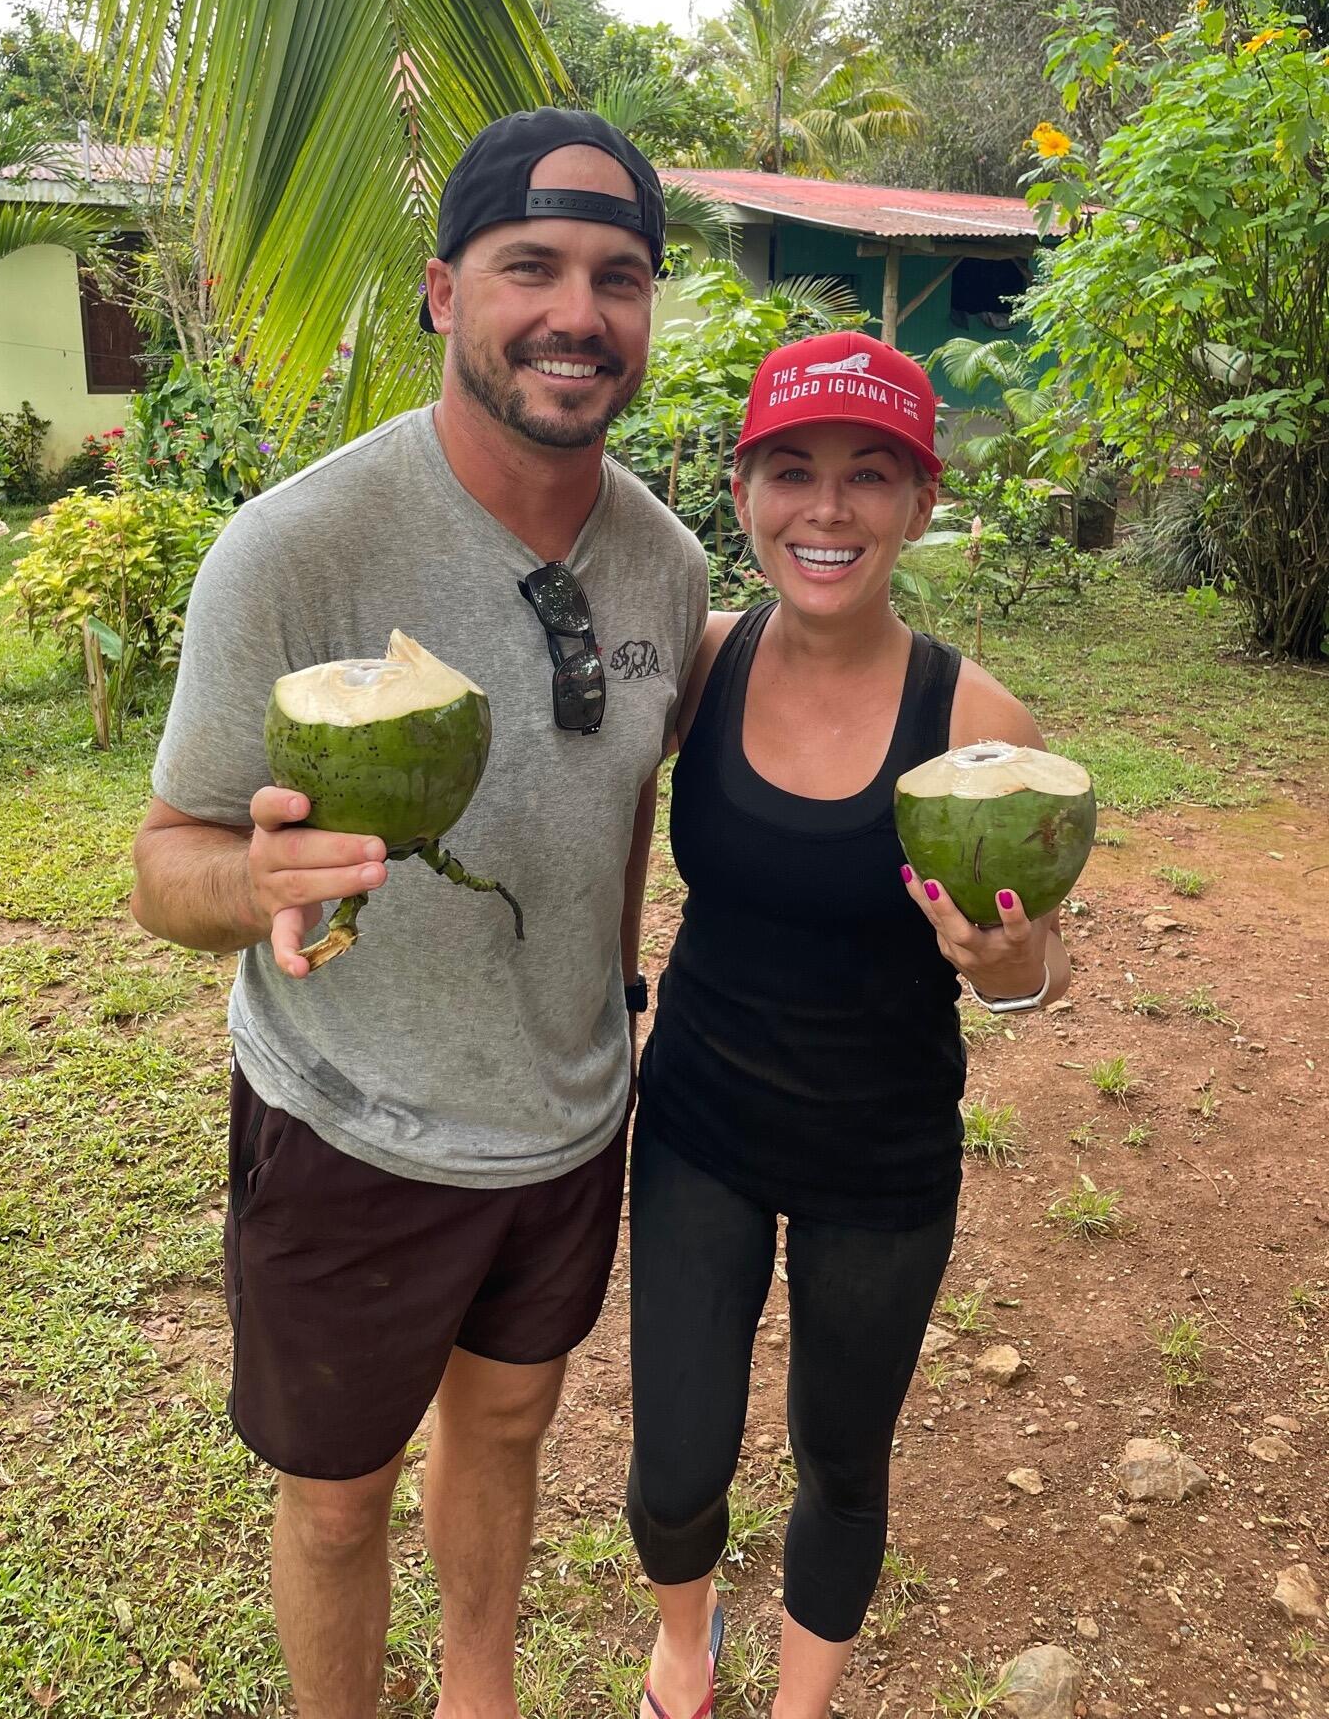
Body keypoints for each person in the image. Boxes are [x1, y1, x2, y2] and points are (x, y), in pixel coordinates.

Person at [130, 109, 709, 1719]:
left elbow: (626, 808)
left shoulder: (663, 564)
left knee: (510, 1430)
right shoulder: (300, 549)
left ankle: (479, 1697)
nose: (577, 312)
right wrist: (254, 883)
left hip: (568, 1124)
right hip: (354, 1130)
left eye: (619, 275)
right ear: (447, 294)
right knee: (336, 1492)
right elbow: (162, 855)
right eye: (532, 266)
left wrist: (614, 1014)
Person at [624, 331, 1073, 1719]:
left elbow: (1027, 976)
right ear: (744, 490)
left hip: (880, 1159)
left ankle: (798, 1706)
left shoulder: (976, 725)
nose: (829, 511)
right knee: (680, 1453)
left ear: (920, 505)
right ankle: (681, 1651)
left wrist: (1004, 960)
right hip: (699, 1117)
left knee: (842, 1453)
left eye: (870, 476)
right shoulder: (701, 668)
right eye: (794, 471)